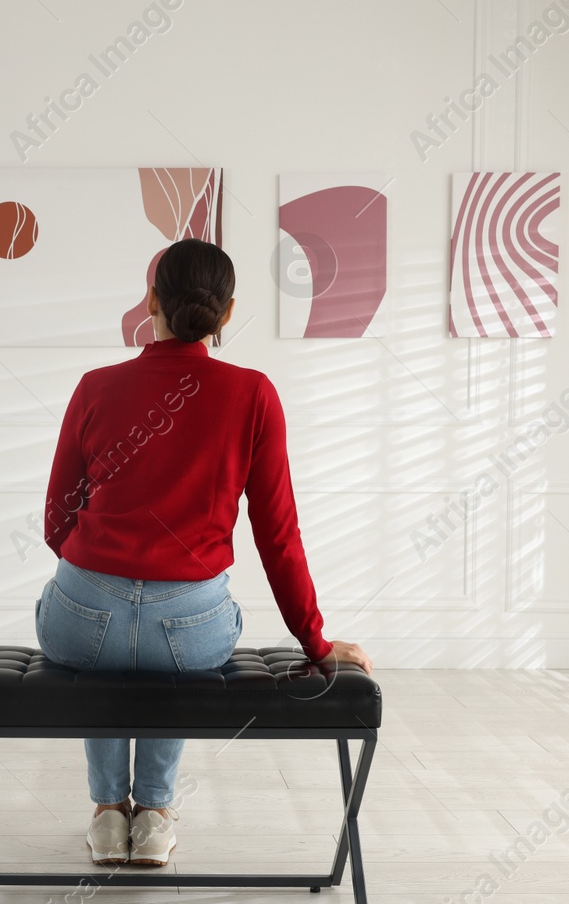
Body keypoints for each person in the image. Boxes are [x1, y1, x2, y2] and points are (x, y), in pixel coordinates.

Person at [36, 238, 373, 867]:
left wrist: (104, 564)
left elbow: (56, 520)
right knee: (173, 647)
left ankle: (111, 815)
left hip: (84, 618)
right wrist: (316, 642)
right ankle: (155, 815)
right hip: (187, 630)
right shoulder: (252, 395)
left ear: (150, 301)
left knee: (102, 644)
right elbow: (278, 535)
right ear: (228, 311)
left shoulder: (95, 387)